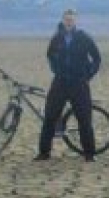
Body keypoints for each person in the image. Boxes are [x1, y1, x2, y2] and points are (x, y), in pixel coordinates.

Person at [36, 9, 101, 162]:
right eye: (66, 20)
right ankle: (44, 153)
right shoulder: (57, 38)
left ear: (75, 21)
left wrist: (88, 74)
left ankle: (89, 154)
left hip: (79, 83)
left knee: (84, 119)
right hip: (60, 83)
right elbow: (50, 55)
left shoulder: (84, 38)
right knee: (50, 118)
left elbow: (97, 58)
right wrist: (56, 69)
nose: (69, 22)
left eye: (71, 20)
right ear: (63, 20)